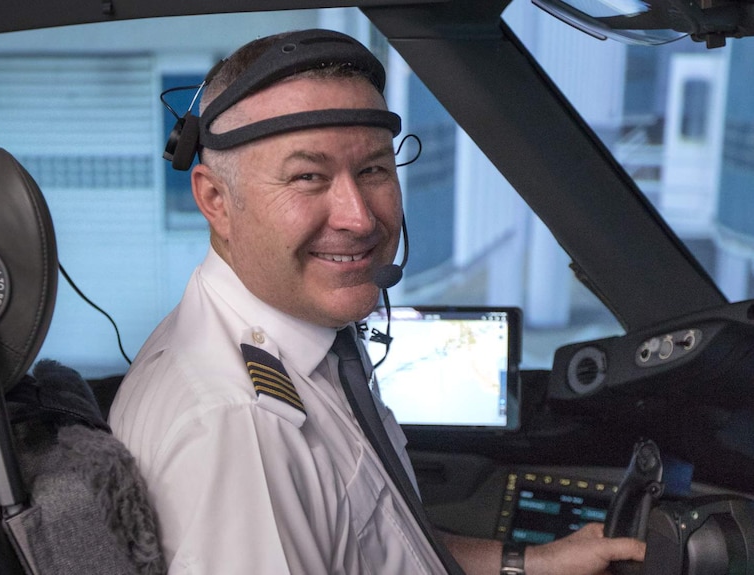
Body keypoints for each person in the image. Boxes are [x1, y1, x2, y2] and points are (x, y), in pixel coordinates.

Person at [109, 29, 646, 574]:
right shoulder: (239, 426)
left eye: (372, 170)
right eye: (309, 177)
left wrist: (526, 564)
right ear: (215, 199)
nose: (360, 217)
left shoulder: (305, 337)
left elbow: (371, 541)